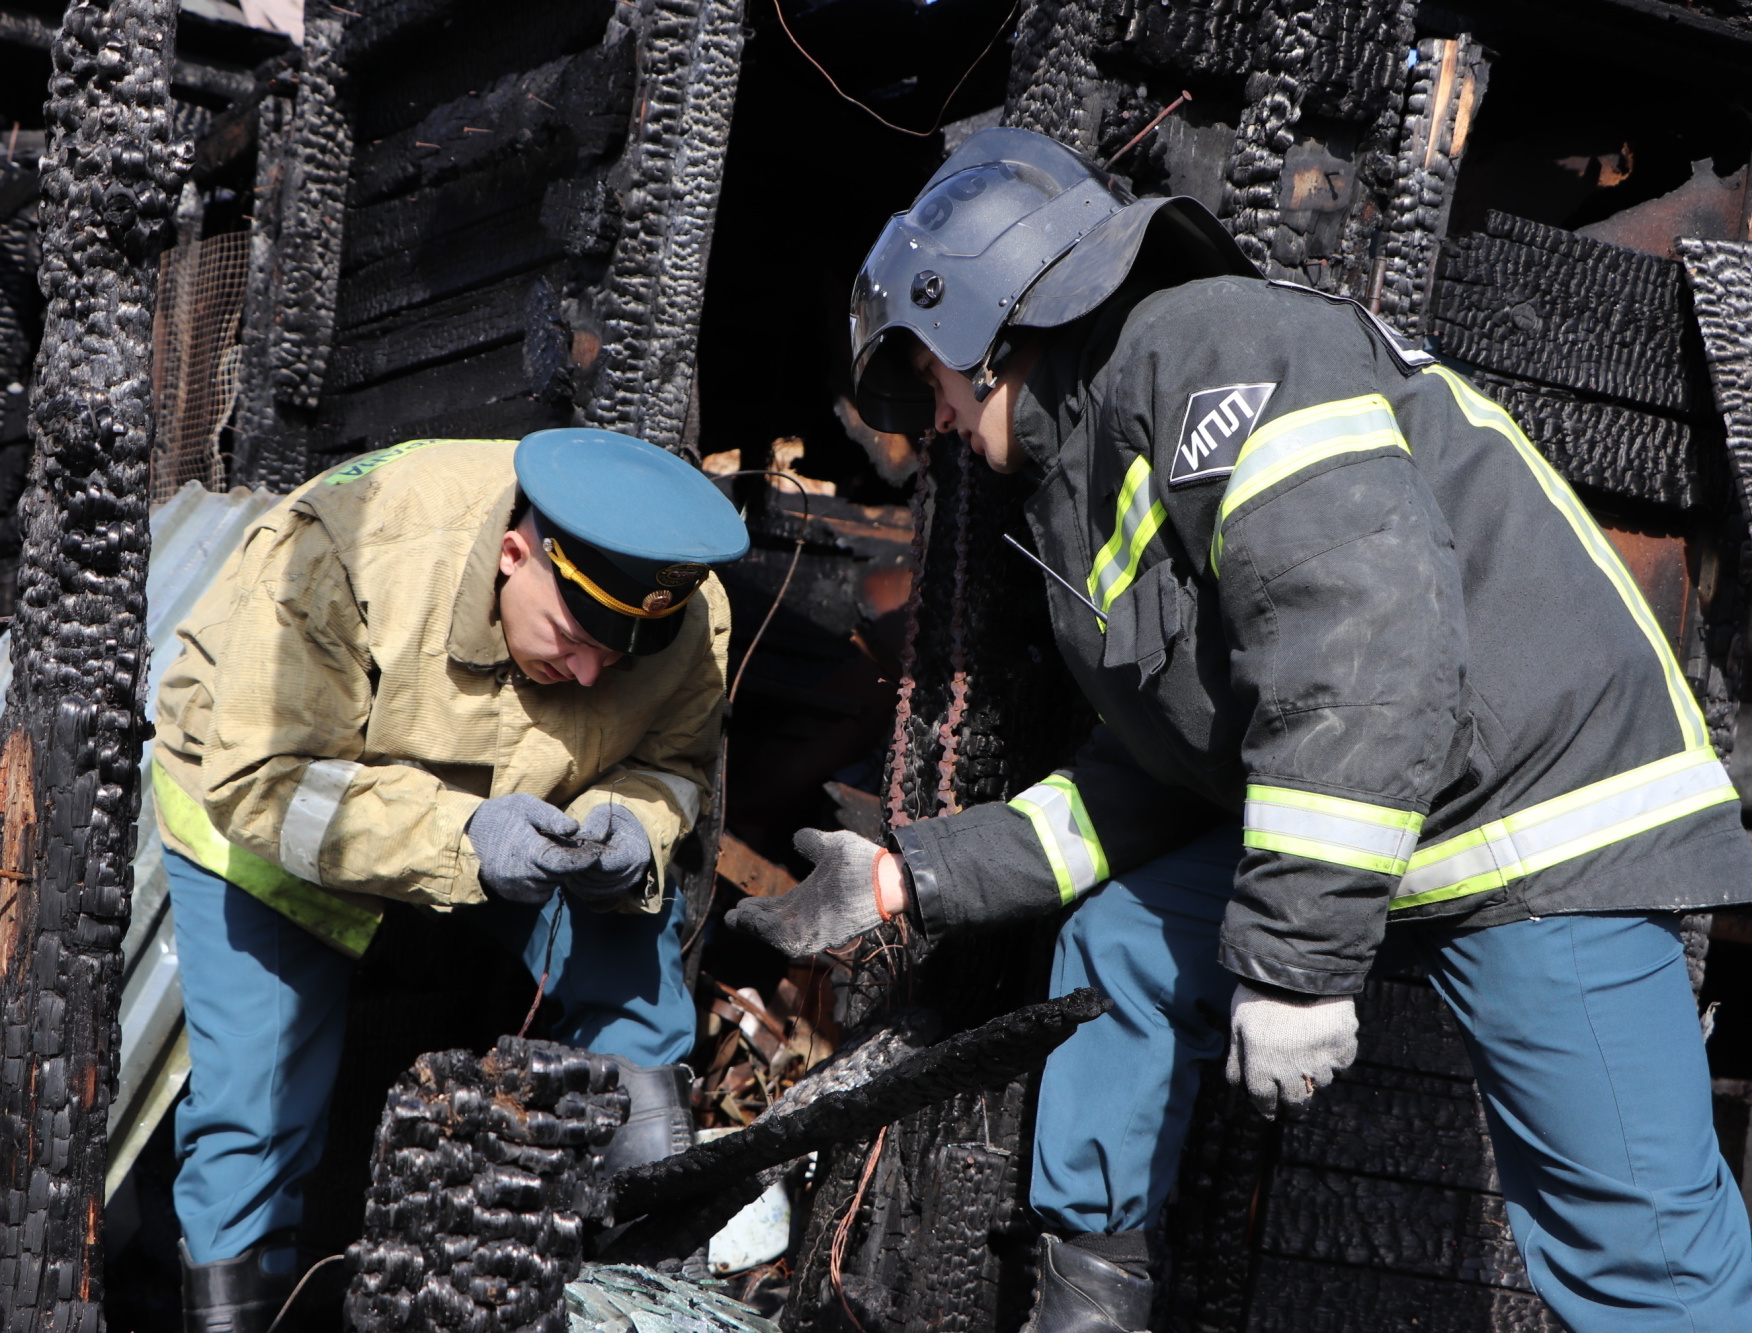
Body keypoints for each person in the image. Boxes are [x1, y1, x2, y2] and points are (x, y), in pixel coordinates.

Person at [728, 127, 1752, 1333]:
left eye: (929, 372)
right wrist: (909, 877)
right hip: (1395, 813)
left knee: (1633, 1252)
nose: (933, 415)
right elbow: (1155, 776)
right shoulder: (1089, 470)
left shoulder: (1218, 352)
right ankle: (1087, 1310)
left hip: (1538, 820)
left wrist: (1296, 966)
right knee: (1125, 937)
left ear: (982, 321)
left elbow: (1358, 652)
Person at [152, 429, 746, 1333]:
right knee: (255, 1119)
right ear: (516, 555)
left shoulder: (686, 614)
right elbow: (259, 781)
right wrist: (467, 835)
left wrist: (638, 822)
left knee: (638, 1002)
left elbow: (675, 762)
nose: (591, 672)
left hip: (520, 818)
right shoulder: (344, 553)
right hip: (276, 806)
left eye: (619, 659)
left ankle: (658, 1297)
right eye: (575, 636)